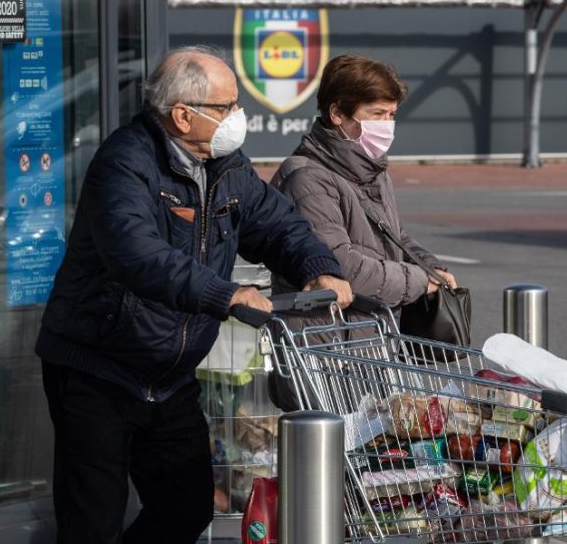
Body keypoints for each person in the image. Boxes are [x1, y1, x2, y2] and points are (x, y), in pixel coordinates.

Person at [34, 46, 352, 544]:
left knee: (186, 505)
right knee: (92, 520)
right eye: (227, 108)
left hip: (169, 375)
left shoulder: (226, 164)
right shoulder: (125, 162)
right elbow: (137, 255)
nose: (238, 118)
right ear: (184, 115)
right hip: (99, 368)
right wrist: (225, 295)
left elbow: (275, 224)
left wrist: (318, 268)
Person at [267, 54, 458, 411]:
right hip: (325, 354)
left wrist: (430, 267)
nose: (386, 126)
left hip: (369, 346)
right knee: (333, 459)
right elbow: (340, 266)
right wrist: (418, 281)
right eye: (376, 114)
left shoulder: (373, 171)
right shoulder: (308, 178)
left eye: (392, 115)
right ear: (337, 113)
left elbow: (393, 234)